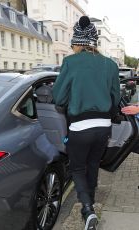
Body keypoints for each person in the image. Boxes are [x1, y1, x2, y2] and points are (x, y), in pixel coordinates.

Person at [52, 16, 120, 230]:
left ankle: (87, 209)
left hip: (80, 127)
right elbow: (115, 98)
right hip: (103, 127)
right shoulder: (110, 64)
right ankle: (89, 204)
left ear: (77, 42)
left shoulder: (71, 62)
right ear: (94, 41)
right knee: (92, 165)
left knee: (77, 168)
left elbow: (58, 97)